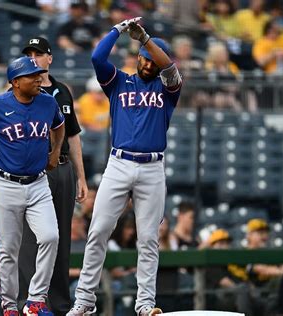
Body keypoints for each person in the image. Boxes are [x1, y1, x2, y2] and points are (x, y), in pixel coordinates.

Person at [67, 16, 182, 316]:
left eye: (151, 59)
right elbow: (96, 57)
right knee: (99, 230)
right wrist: (117, 30)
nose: (147, 64)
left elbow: (169, 68)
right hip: (119, 164)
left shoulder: (168, 88)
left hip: (152, 168)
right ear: (137, 59)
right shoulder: (119, 81)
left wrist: (145, 39)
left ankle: (144, 304)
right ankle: (84, 301)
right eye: (144, 59)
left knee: (148, 239)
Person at [0, 56, 65, 316]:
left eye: (39, 73)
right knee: (8, 250)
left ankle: (35, 300)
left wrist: (55, 152)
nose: (39, 78)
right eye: (32, 75)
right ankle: (9, 306)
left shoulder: (47, 102)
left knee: (51, 237)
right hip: (7, 184)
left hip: (39, 183)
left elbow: (59, 126)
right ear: (16, 82)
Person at [17, 36, 88, 316]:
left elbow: (74, 136)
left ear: (50, 58)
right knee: (31, 240)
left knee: (60, 238)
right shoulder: (22, 90)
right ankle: (29, 303)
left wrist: (81, 177)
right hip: (34, 169)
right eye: (30, 53)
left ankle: (57, 304)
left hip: (63, 167)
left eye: (39, 53)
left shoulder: (62, 91)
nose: (34, 57)